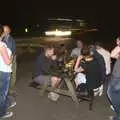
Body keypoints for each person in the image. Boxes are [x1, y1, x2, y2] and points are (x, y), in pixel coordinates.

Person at [0, 27, 13, 118]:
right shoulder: (1, 45)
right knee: (2, 94)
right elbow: (7, 62)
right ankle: (2, 113)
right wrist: (11, 57)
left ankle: (5, 105)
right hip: (4, 72)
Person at [107, 36, 120, 120]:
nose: (117, 43)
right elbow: (114, 56)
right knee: (117, 93)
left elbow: (112, 54)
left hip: (118, 77)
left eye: (118, 42)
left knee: (110, 92)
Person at [2, 25, 16, 95]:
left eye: (7, 30)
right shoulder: (1, 39)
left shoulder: (12, 39)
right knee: (4, 75)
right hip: (3, 61)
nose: (6, 32)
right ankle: (4, 90)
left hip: (12, 58)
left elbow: (14, 50)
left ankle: (10, 89)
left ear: (9, 31)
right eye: (4, 30)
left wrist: (12, 58)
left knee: (13, 74)